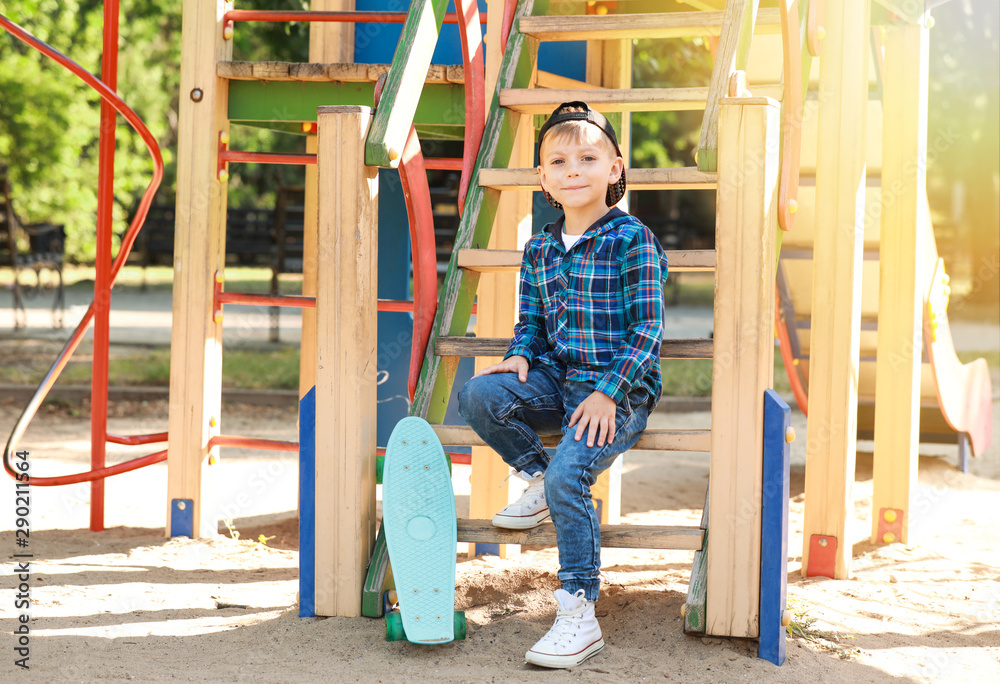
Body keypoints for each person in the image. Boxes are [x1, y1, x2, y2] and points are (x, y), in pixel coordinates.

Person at [457, 101, 668, 669]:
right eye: (559, 160)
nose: (574, 169)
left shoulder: (632, 240)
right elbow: (531, 326)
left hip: (617, 394)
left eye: (588, 157)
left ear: (615, 168)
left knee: (572, 473)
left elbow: (649, 328)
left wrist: (608, 392)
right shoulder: (540, 249)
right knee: (479, 394)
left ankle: (578, 612)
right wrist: (521, 357)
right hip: (558, 380)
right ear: (543, 178)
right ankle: (536, 475)